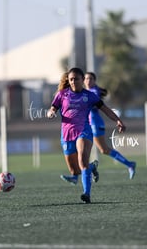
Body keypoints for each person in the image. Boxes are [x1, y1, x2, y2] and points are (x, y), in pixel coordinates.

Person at [47, 67, 126, 203]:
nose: (73, 82)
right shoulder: (62, 94)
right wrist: (51, 112)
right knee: (74, 171)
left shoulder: (89, 96)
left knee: (82, 162)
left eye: (76, 79)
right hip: (66, 135)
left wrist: (118, 120)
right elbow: (53, 108)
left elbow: (106, 109)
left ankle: (86, 194)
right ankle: (92, 167)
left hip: (83, 131)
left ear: (82, 80)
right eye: (71, 79)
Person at [84, 72, 136, 180]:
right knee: (100, 150)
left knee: (103, 149)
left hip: (95, 124)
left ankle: (129, 164)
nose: (88, 80)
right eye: (86, 79)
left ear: (94, 81)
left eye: (90, 78)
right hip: (90, 124)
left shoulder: (93, 91)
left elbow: (95, 105)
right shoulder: (87, 92)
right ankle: (82, 172)